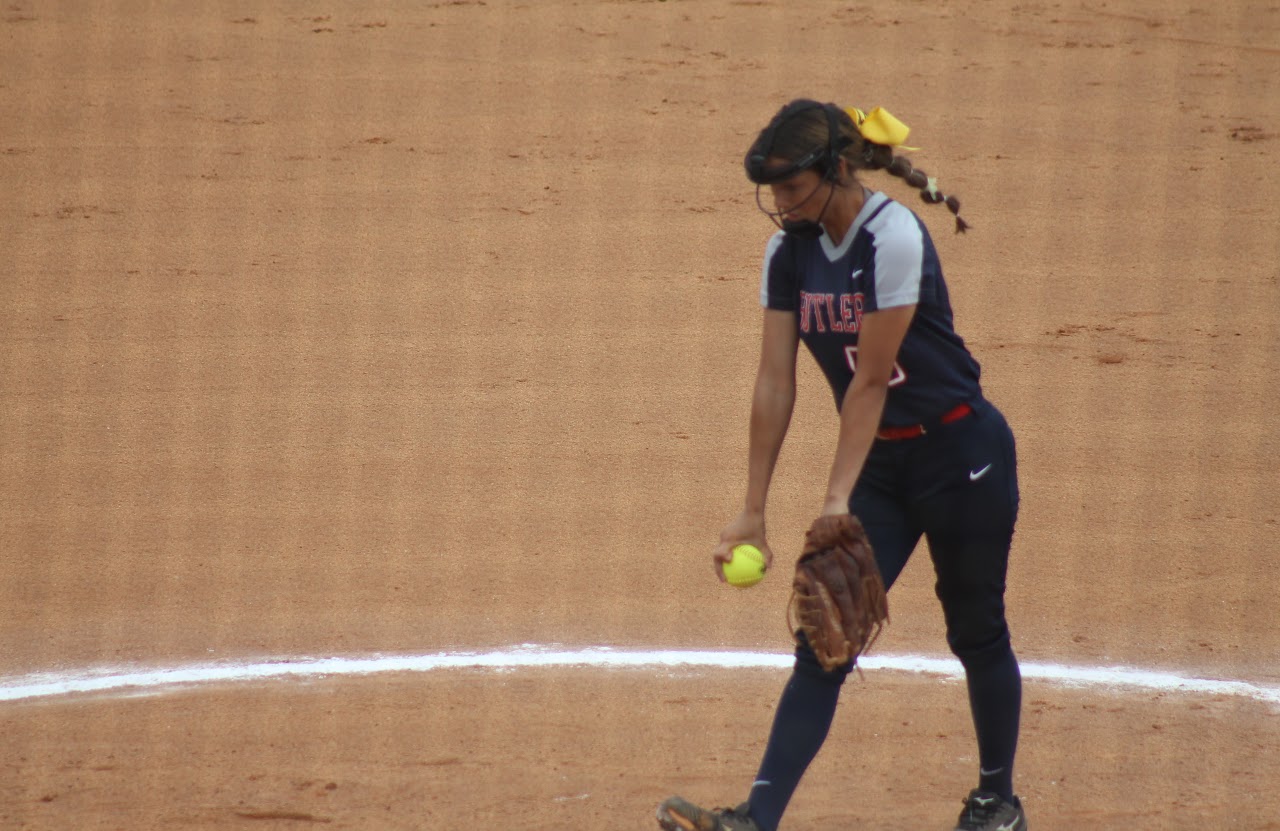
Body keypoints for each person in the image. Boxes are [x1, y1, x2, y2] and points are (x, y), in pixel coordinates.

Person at [656, 99, 1027, 831]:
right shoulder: (787, 253)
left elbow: (869, 378)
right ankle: (756, 819)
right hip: (885, 468)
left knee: (975, 627)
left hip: (963, 458)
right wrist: (753, 505)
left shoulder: (892, 237)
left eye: (792, 188)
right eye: (773, 191)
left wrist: (834, 499)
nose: (781, 204)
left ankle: (998, 799)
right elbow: (774, 381)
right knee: (823, 636)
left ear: (837, 171)